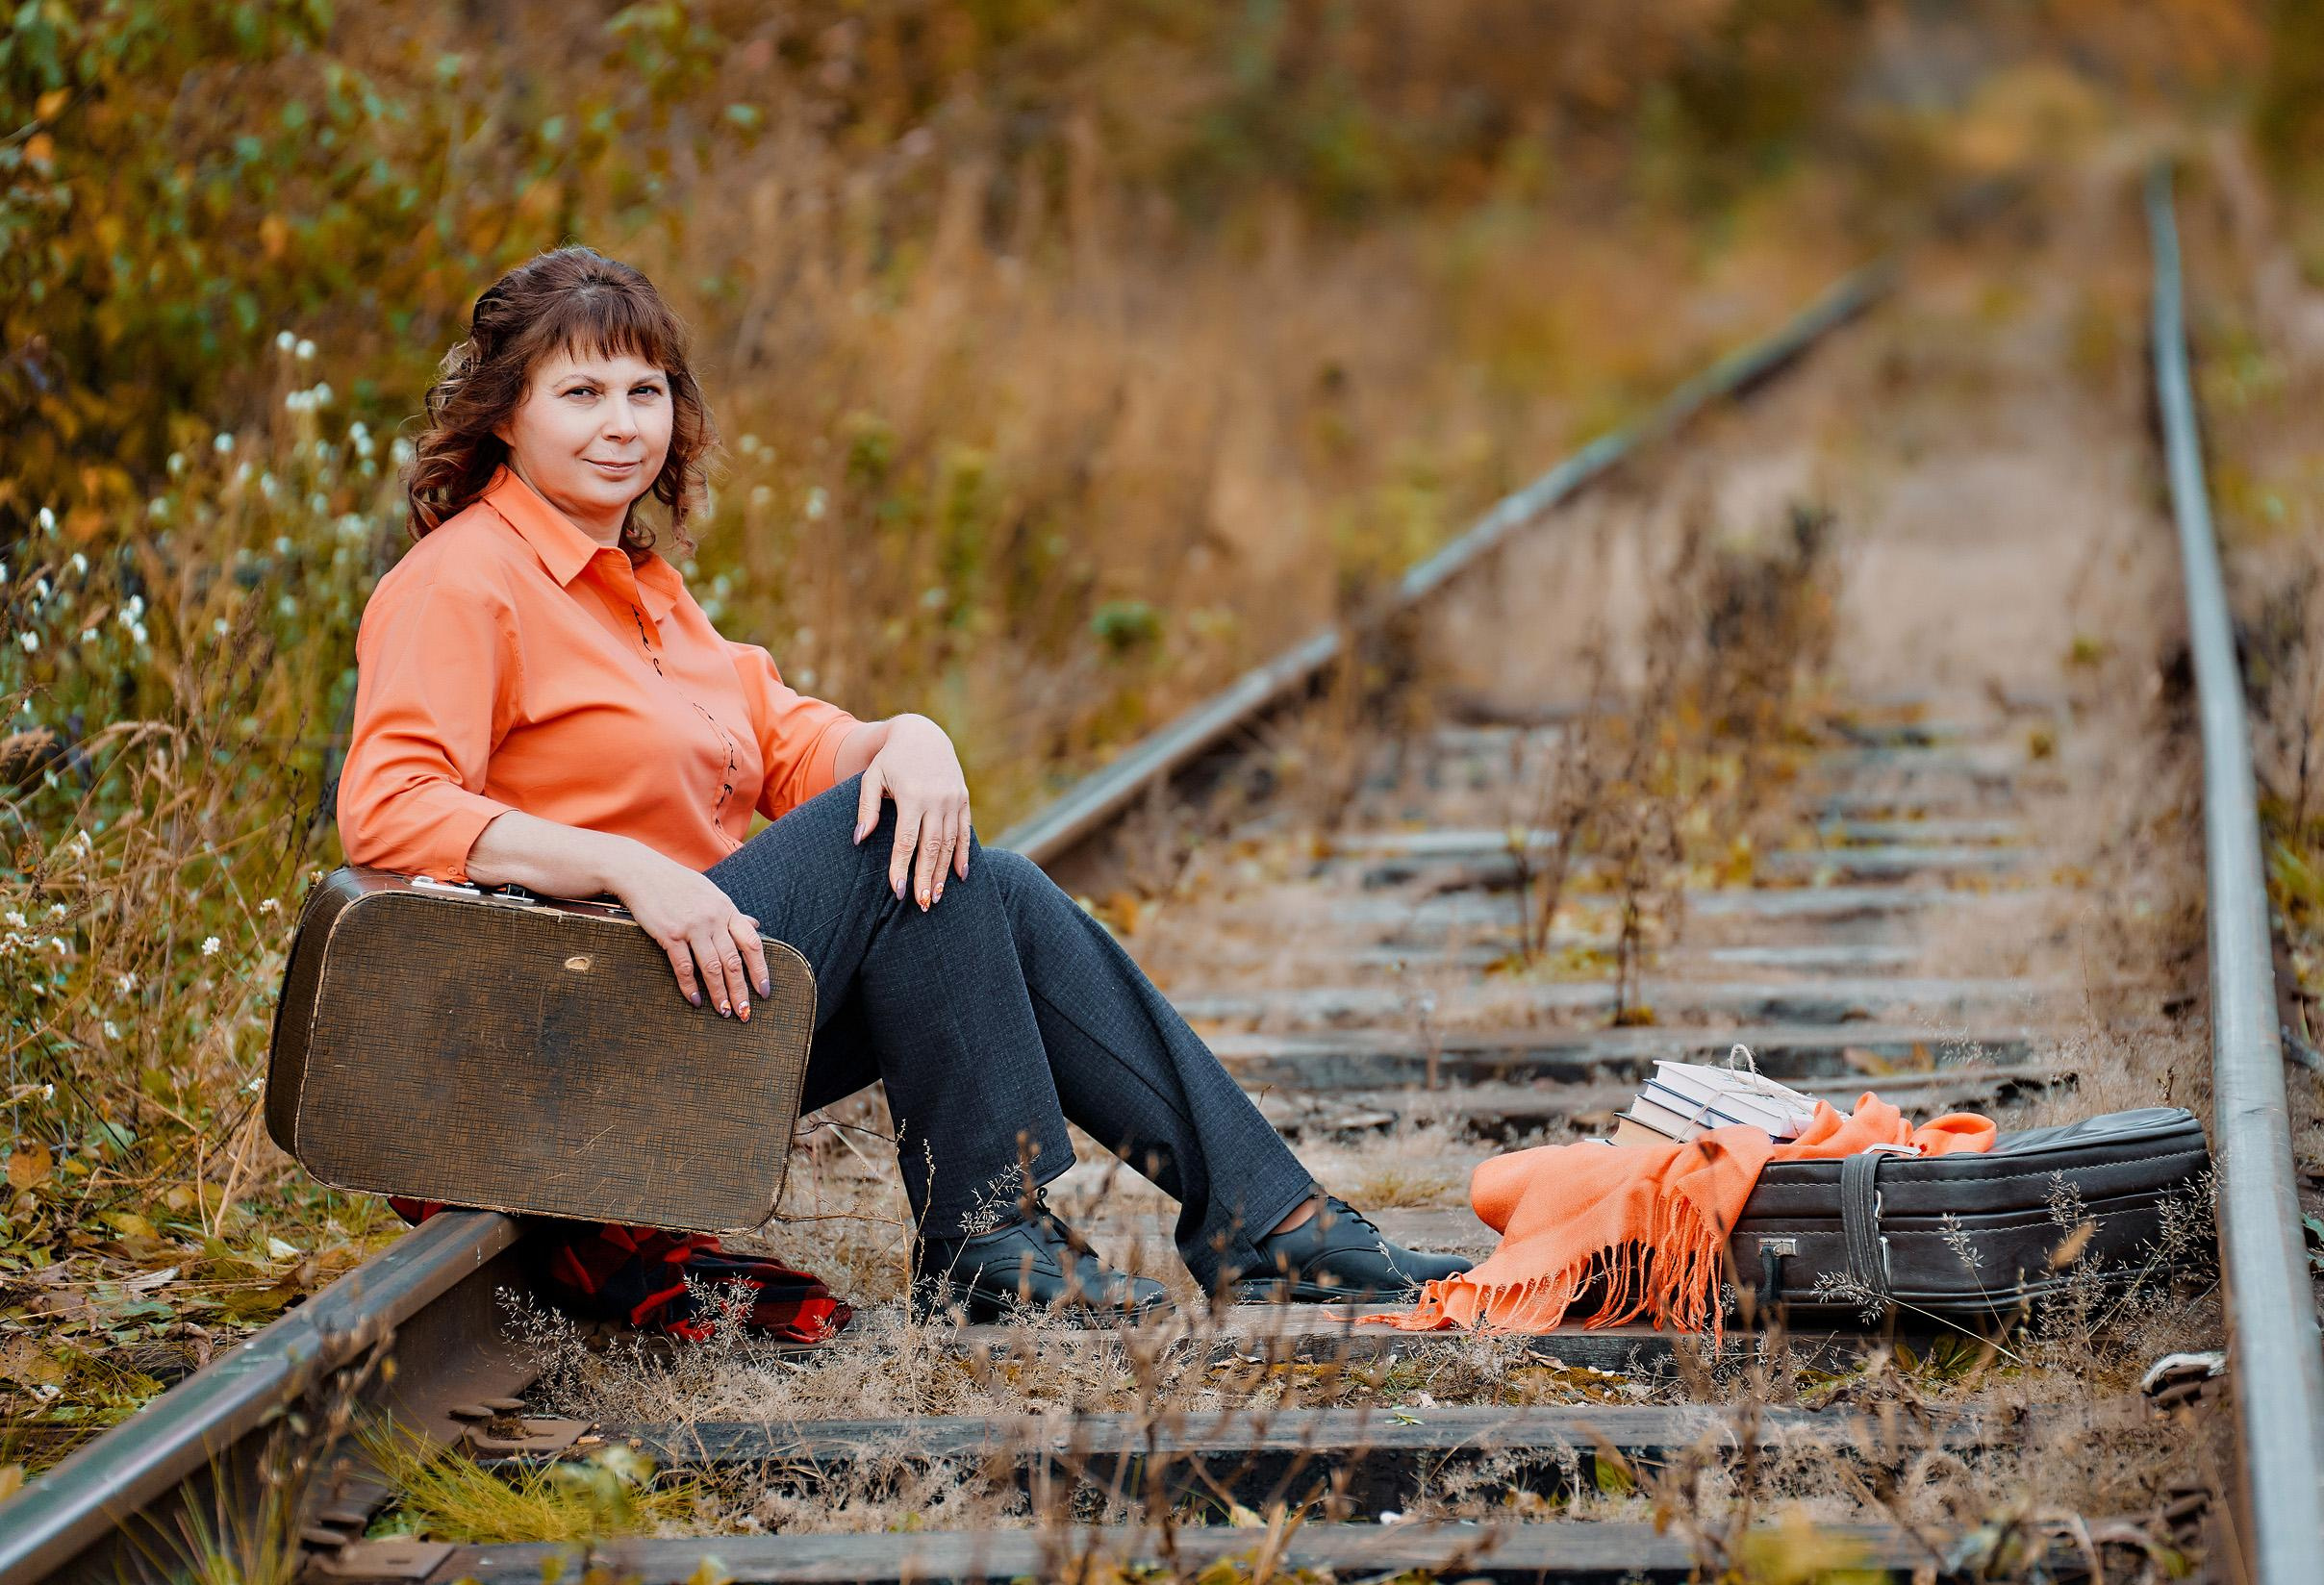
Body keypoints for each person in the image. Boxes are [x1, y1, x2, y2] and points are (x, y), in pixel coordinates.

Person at [336, 245, 1473, 1327]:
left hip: (693, 999)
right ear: (505, 415)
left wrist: (910, 737)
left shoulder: (642, 590)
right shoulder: (463, 583)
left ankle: (1245, 1220)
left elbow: (782, 745)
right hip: (573, 1032)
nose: (622, 425)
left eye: (646, 391)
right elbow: (388, 807)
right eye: (580, 394)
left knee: (982, 875)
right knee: (900, 851)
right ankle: (1011, 1236)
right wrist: (630, 870)